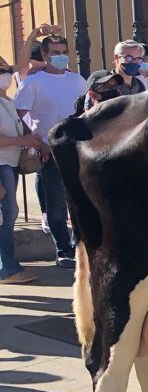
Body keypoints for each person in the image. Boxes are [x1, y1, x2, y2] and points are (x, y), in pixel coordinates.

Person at [12, 34, 88, 269]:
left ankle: (80, 247)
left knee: (80, 202)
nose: (61, 56)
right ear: (44, 56)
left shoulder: (77, 79)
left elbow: (86, 110)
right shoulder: (34, 82)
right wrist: (37, 142)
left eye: (63, 51)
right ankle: (63, 250)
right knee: (55, 205)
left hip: (79, 149)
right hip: (50, 149)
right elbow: (19, 112)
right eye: (55, 52)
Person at [0, 55, 46, 283]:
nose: (5, 73)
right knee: (4, 216)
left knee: (8, 215)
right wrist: (23, 142)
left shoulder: (6, 101)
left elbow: (20, 66)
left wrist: (31, 140)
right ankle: (6, 269)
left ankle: (8, 265)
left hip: (8, 164)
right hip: (1, 167)